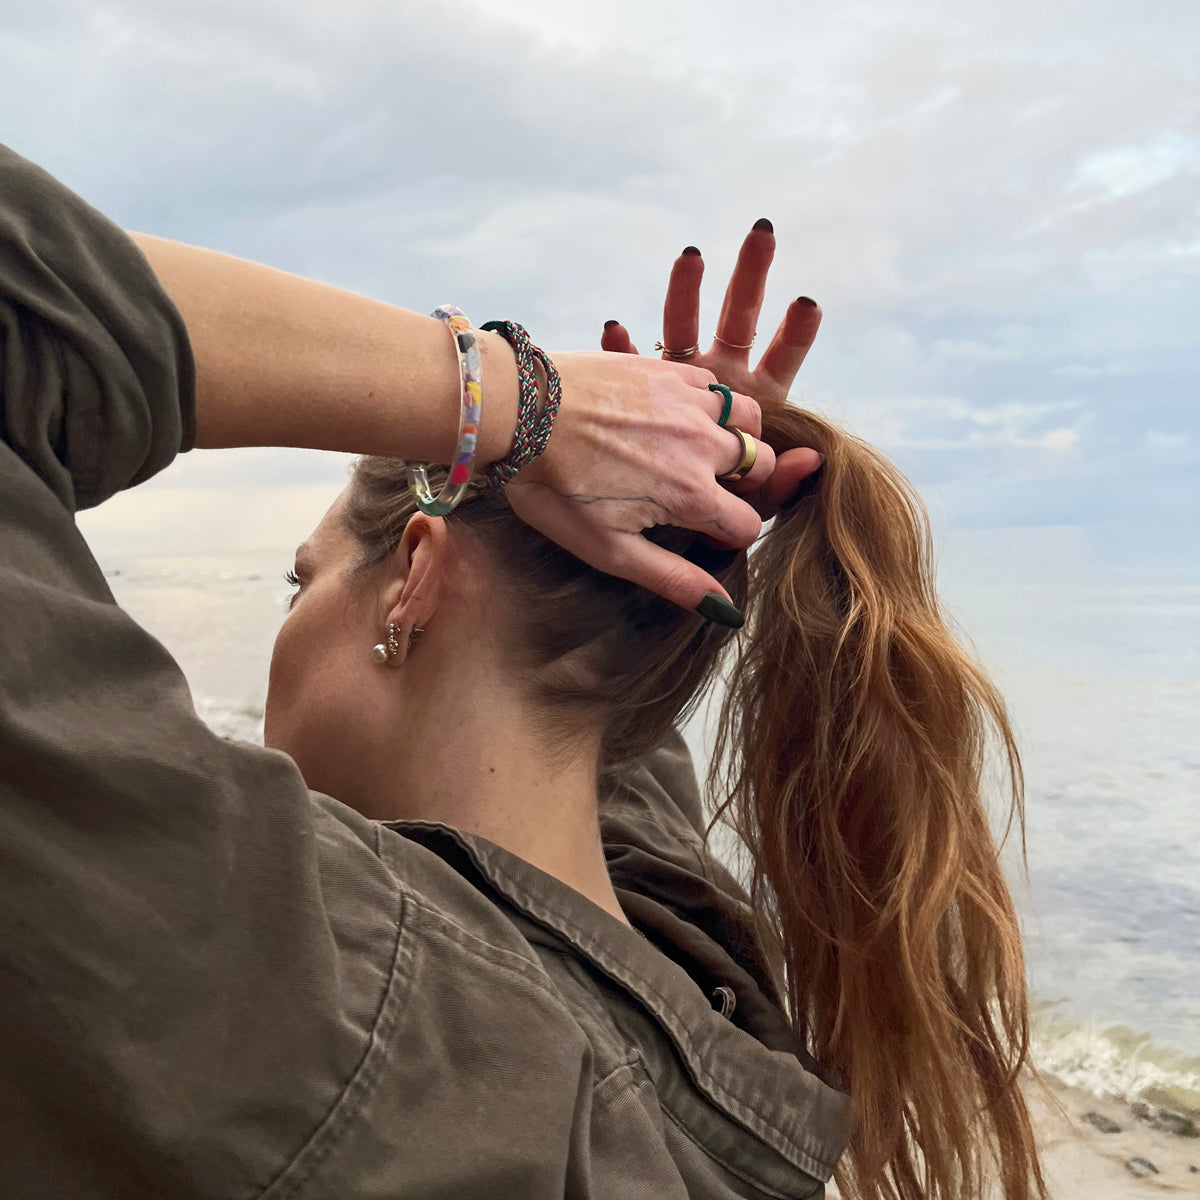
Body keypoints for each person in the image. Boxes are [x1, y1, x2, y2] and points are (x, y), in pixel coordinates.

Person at [0, 144, 1044, 1200]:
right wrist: (676, 498)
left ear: (416, 575)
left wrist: (508, 397)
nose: (292, 618)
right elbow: (588, 737)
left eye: (299, 581)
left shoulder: (318, 1009)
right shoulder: (683, 966)